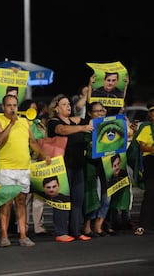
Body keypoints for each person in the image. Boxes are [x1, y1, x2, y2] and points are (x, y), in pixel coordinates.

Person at [0, 94, 51, 247]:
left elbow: (32, 142)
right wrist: (11, 124)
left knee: (21, 202)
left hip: (23, 167)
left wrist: (43, 155)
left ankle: (23, 236)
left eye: (14, 105)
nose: (12, 108)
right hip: (6, 168)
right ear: (3, 107)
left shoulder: (24, 121)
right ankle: (4, 236)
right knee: (6, 203)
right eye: (9, 105)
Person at [47, 94, 93, 242]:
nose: (68, 106)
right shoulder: (54, 122)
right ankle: (61, 232)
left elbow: (92, 120)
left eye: (68, 104)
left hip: (78, 165)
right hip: (63, 166)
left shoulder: (75, 120)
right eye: (64, 104)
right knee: (62, 199)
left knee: (77, 200)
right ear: (56, 108)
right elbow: (62, 130)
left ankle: (76, 230)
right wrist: (82, 128)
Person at [19, 99, 48, 235]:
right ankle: (22, 226)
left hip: (39, 162)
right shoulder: (20, 124)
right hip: (25, 162)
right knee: (25, 197)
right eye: (31, 108)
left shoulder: (40, 125)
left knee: (39, 197)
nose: (34, 111)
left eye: (35, 108)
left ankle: (39, 226)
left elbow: (45, 140)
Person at [83, 102, 112, 237]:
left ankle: (99, 225)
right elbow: (87, 149)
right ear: (90, 113)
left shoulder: (110, 126)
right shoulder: (86, 127)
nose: (100, 113)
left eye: (102, 111)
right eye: (97, 111)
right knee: (93, 195)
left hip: (107, 165)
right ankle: (87, 225)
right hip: (91, 165)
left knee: (108, 195)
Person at [133, 101, 154, 236]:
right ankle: (143, 225)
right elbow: (143, 146)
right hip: (151, 161)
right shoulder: (147, 128)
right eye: (152, 112)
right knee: (150, 193)